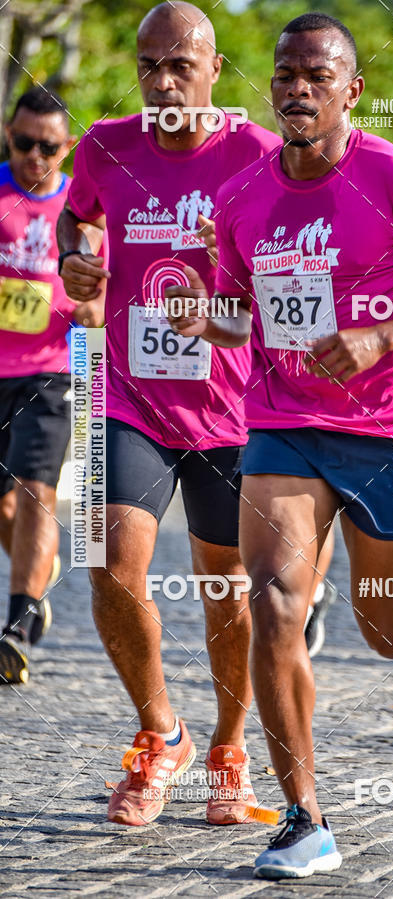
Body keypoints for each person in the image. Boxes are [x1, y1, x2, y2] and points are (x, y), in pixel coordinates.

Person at [167, 12, 393, 878]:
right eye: (285, 76)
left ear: (350, 91)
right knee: (277, 601)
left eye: (317, 77)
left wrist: (382, 338)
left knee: (384, 630)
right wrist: (204, 317)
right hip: (284, 423)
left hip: (391, 430)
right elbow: (246, 315)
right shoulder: (241, 196)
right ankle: (304, 816)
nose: (297, 90)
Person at [57, 1, 334, 830]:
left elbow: (301, 268)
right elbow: (79, 211)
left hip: (232, 410)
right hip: (130, 397)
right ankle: (160, 730)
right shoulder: (106, 144)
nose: (163, 80)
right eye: (149, 65)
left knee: (227, 594)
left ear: (216, 70)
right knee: (108, 560)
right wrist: (76, 255)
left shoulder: (260, 154)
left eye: (181, 64)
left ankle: (227, 747)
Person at [0, 87, 103, 686]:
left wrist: (95, 310)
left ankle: (16, 628)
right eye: (23, 142)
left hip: (56, 369)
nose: (35, 157)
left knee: (37, 489)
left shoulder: (84, 210)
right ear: (8, 134)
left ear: (67, 148)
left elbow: (108, 295)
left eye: (49, 147)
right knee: (6, 502)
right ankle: (36, 571)